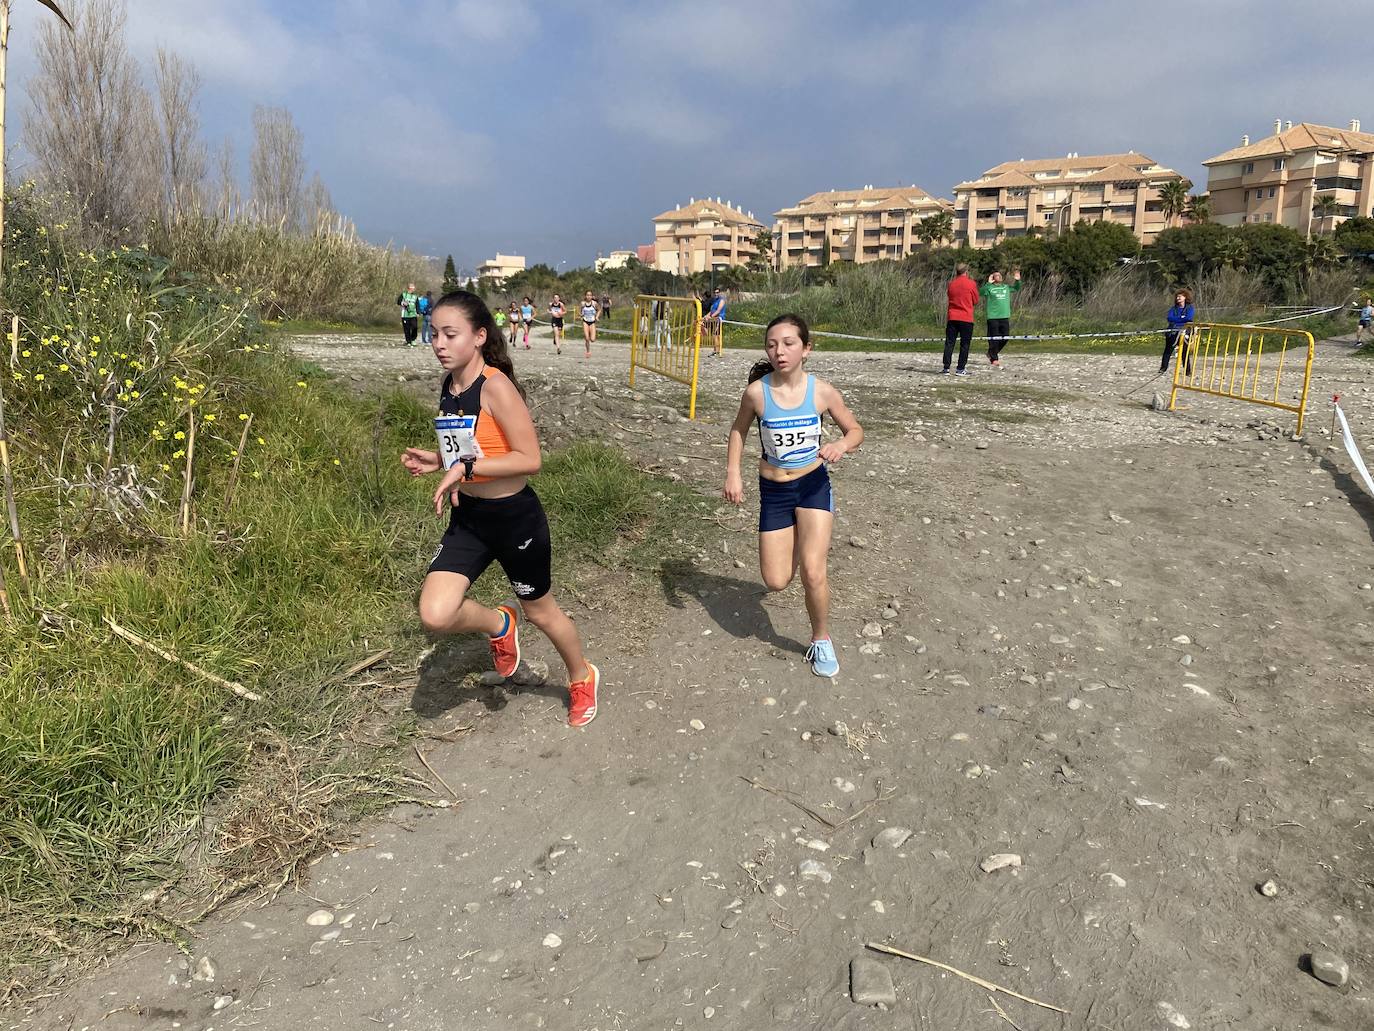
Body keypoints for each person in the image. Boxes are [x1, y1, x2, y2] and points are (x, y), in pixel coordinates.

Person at [401, 290, 601, 727]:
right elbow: (472, 450)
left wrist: (465, 467)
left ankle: (581, 675)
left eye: (450, 334)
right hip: (469, 520)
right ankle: (498, 624)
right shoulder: (450, 386)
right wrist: (439, 461)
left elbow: (530, 459)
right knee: (435, 613)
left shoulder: (495, 385)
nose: (439, 343)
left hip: (514, 519)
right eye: (434, 334)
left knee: (541, 611)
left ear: (478, 336)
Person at [723, 314, 864, 679]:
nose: (779, 351)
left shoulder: (822, 391)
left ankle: (821, 639)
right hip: (774, 491)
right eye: (772, 344)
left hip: (812, 485)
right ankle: (800, 539)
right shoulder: (757, 393)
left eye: (788, 343)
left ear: (806, 349)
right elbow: (738, 431)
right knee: (776, 581)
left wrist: (841, 445)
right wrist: (733, 473)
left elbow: (855, 429)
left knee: (813, 573)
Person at [943, 263, 980, 376]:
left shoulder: (951, 284)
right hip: (966, 317)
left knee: (950, 342)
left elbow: (950, 296)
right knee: (964, 344)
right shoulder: (971, 283)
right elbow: (976, 300)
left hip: (953, 316)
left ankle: (946, 368)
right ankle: (960, 368)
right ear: (966, 271)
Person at [981, 269, 1021, 367]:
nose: (999, 276)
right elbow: (981, 293)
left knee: (1005, 337)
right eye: (996, 275)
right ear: (993, 278)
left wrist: (1017, 280)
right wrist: (988, 283)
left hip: (1004, 316)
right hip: (993, 317)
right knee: (994, 338)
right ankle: (994, 358)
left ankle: (991, 352)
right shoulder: (990, 287)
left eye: (1000, 275)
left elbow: (1016, 288)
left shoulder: (1006, 287)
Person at [1160, 288, 1196, 375]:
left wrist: (1178, 320)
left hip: (1184, 332)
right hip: (1173, 331)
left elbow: (1189, 318)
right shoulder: (1173, 309)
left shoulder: (1190, 308)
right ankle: (1163, 368)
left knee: (1184, 351)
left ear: (1185, 297)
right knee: (1168, 350)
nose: (1178, 298)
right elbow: (1170, 318)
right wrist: (1181, 319)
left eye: (1180, 296)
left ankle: (1187, 371)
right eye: (1177, 297)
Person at [705, 288, 727, 356]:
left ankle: (717, 351)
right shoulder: (715, 301)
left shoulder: (721, 301)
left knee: (716, 334)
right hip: (713, 319)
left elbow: (718, 311)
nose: (716, 294)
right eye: (715, 292)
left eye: (717, 292)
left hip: (718, 319)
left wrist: (710, 317)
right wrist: (706, 316)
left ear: (720, 293)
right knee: (714, 335)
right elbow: (712, 311)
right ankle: (715, 350)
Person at [397, 283, 420, 347]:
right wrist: (403, 303)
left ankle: (413, 339)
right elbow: (398, 301)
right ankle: (408, 341)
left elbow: (417, 305)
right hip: (405, 315)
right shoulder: (403, 294)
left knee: (415, 327)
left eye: (414, 288)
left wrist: (418, 312)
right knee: (406, 329)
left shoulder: (415, 296)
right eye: (412, 288)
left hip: (413, 314)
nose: (413, 289)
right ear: (409, 288)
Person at [580, 291, 599, 357]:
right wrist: (581, 315)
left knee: (592, 339)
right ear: (585, 296)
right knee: (587, 338)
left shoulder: (594, 303)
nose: (589, 296)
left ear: (592, 296)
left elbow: (599, 310)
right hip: (585, 321)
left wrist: (597, 316)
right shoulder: (583, 303)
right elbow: (581, 312)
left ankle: (591, 334)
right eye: (587, 295)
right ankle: (588, 352)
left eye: (590, 295)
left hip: (592, 322)